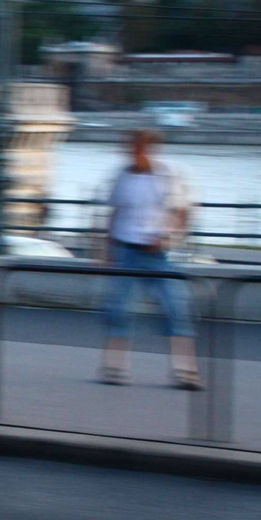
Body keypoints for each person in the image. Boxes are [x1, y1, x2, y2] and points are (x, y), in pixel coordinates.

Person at [99, 129, 200, 389]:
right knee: (119, 309)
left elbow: (182, 210)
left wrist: (167, 237)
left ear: (152, 149)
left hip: (157, 253)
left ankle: (185, 372)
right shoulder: (122, 176)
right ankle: (114, 367)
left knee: (175, 309)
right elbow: (113, 212)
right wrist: (106, 250)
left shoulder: (169, 174)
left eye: (141, 147)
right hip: (126, 249)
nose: (135, 152)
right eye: (132, 147)